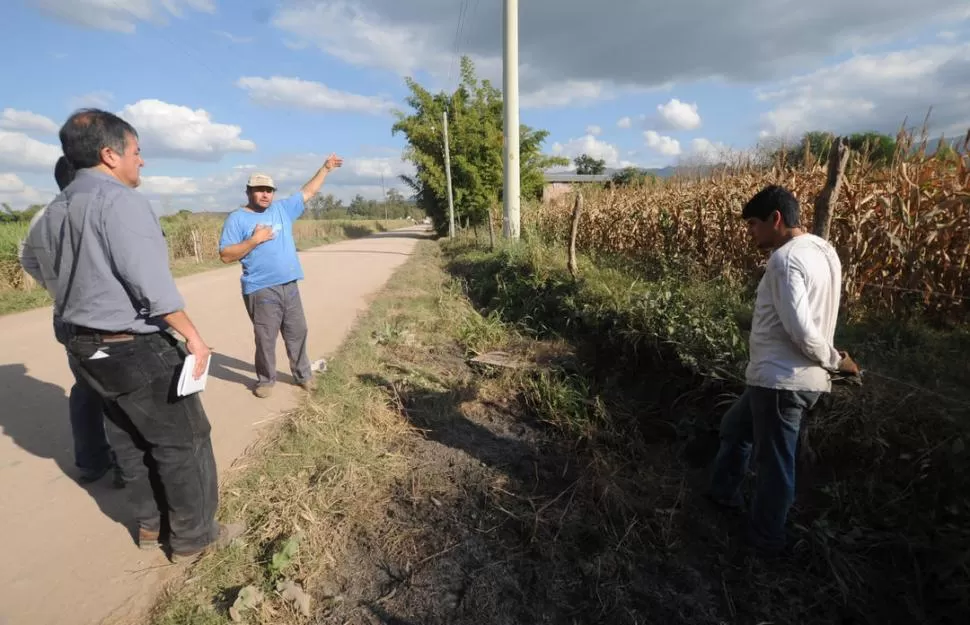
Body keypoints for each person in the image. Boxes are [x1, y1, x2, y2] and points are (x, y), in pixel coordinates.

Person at [22, 108, 242, 562]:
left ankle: (149, 526)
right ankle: (194, 538)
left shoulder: (52, 213)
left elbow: (39, 270)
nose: (141, 162)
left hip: (81, 344)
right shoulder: (119, 202)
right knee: (184, 439)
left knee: (127, 437)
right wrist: (194, 340)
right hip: (131, 345)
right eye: (137, 152)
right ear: (110, 154)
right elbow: (153, 289)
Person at [707, 184, 860, 554]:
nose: (751, 233)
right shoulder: (824, 250)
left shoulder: (784, 260)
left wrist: (837, 362)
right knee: (734, 428)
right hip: (775, 378)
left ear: (776, 219)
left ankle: (765, 542)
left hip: (782, 382)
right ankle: (721, 496)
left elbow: (800, 329)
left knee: (775, 465)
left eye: (754, 225)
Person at [19, 156, 123, 488]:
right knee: (119, 392)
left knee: (85, 390)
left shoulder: (41, 216)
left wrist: (55, 286)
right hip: (103, 322)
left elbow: (27, 260)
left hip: (66, 319)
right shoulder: (93, 210)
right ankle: (125, 466)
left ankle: (92, 462)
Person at [218, 155, 343, 398]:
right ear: (248, 192)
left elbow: (308, 191)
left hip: (290, 285)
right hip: (260, 288)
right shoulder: (237, 219)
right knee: (266, 338)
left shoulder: (282, 210)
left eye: (269, 190)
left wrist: (325, 169)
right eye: (259, 190)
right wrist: (254, 240)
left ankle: (303, 375)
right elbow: (225, 255)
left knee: (298, 331)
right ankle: (266, 380)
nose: (265, 194)